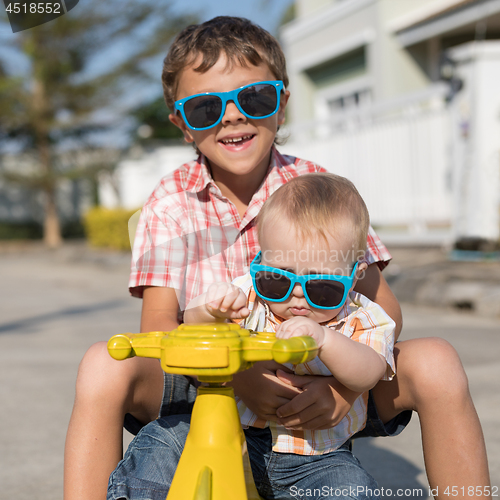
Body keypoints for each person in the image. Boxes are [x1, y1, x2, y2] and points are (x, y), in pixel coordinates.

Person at [63, 16, 490, 500]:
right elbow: (160, 326)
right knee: (102, 363)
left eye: (255, 98)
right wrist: (242, 377)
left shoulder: (319, 191)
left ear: (282, 104)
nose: (232, 117)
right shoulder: (170, 202)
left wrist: (343, 389)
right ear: (182, 124)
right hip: (208, 380)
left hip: (328, 373)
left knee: (436, 361)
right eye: (205, 107)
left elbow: (383, 312)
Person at [175, 172, 396, 499]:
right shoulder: (248, 297)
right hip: (231, 436)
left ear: (355, 275)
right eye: (276, 280)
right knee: (160, 441)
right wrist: (207, 310)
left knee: (352, 490)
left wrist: (325, 340)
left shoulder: (362, 318)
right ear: (261, 262)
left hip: (317, 459)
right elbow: (194, 331)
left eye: (322, 288)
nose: (296, 296)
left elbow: (368, 373)